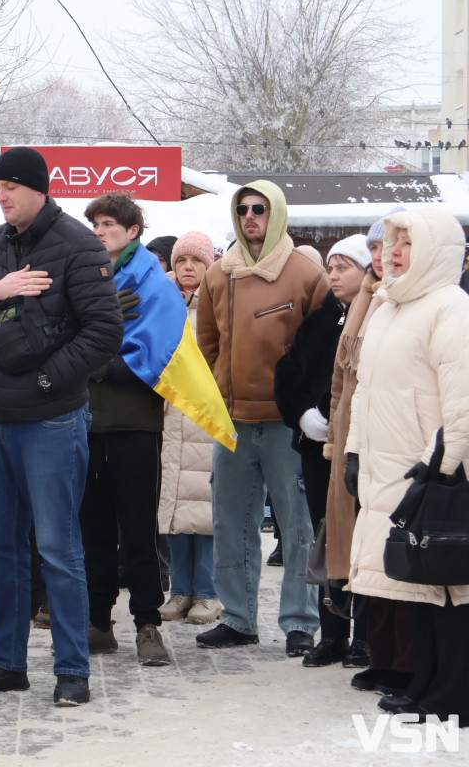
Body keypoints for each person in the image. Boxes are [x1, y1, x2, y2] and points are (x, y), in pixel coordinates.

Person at [0, 146, 123, 707]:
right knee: (1, 549)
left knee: (59, 549)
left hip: (50, 422)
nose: (1, 196)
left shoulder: (78, 245)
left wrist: (49, 382)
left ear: (39, 189)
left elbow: (104, 332)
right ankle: (7, 663)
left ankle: (72, 669)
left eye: (11, 187)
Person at [345, 206, 469, 723]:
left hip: (435, 471)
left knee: (451, 585)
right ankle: (427, 679)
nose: (392, 254)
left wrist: (444, 465)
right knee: (420, 583)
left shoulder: (451, 309)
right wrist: (353, 449)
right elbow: (365, 392)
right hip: (388, 467)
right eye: (391, 243)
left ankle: (454, 689)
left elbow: (462, 400)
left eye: (405, 244)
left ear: (435, 250)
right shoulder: (388, 307)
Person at [194, 181, 327, 655]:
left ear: (278, 214)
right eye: (243, 209)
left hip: (287, 424)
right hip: (232, 422)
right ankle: (237, 618)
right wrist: (219, 388)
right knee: (230, 523)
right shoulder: (217, 273)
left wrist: (308, 407)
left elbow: (321, 349)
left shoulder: (305, 273)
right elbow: (206, 341)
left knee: (297, 526)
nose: (250, 216)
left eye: (260, 209)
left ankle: (299, 622)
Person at [77, 192, 170, 666]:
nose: (99, 231)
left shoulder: (153, 279)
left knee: (138, 529)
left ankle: (148, 623)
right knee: (92, 528)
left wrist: (98, 359)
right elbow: (65, 337)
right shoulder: (82, 275)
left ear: (133, 231)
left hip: (135, 421)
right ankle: (98, 621)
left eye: (109, 223)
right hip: (86, 421)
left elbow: (160, 351)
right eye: (94, 223)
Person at [273, 234, 372, 667]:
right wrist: (301, 416)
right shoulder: (317, 321)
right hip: (319, 451)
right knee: (325, 536)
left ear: (366, 269)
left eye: (344, 266)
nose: (333, 275)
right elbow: (288, 371)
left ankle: (367, 636)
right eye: (330, 267)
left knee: (364, 541)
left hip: (364, 450)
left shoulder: (379, 319)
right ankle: (332, 635)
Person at [328, 211, 407, 690]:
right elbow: (343, 377)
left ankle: (401, 662)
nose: (380, 257)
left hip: (399, 446)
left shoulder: (410, 304)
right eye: (375, 248)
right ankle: (379, 655)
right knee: (363, 553)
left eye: (389, 248)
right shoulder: (365, 302)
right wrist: (339, 440)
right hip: (355, 442)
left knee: (393, 554)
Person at [157, 232, 223, 627]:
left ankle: (209, 592)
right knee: (175, 511)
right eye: (181, 260)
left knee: (206, 509)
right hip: (169, 418)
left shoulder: (216, 306)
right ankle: (180, 590)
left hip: (205, 418)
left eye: (196, 261)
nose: (187, 268)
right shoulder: (163, 305)